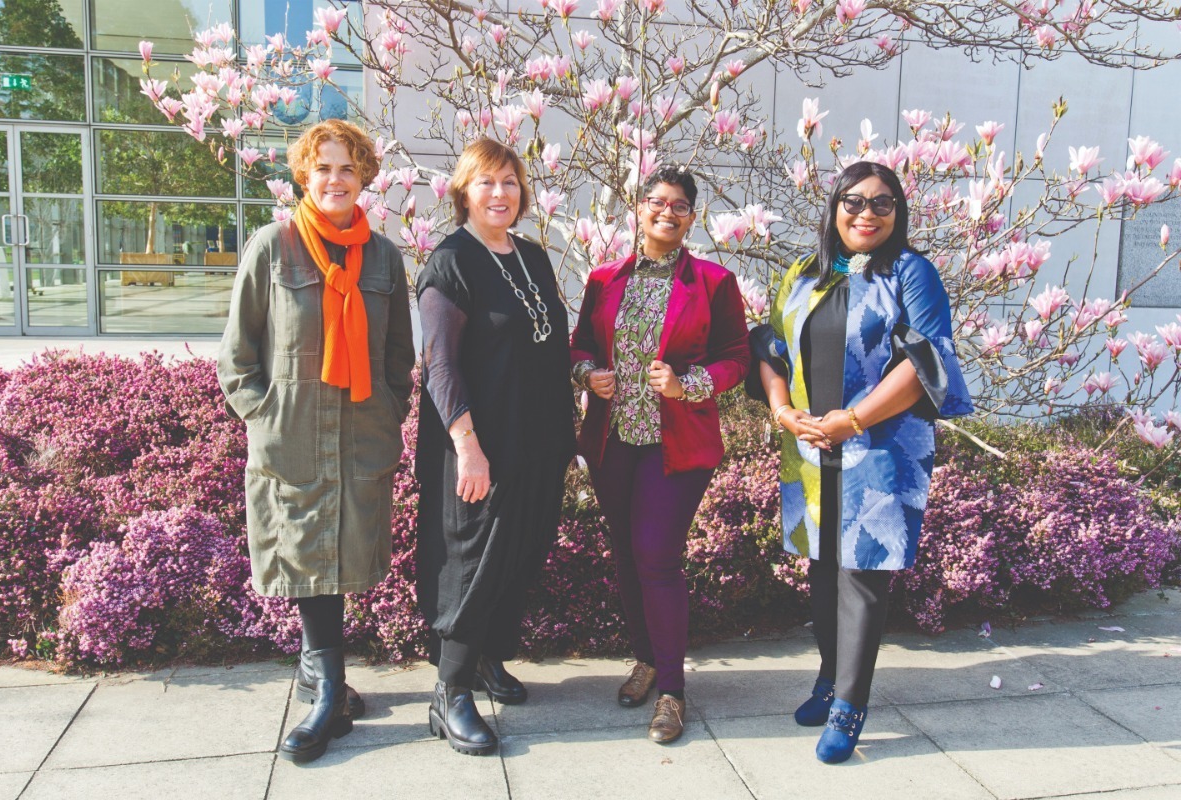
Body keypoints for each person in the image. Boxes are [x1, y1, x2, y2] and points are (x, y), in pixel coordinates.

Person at [749, 161, 972, 763]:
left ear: (898, 212)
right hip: (809, 446)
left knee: (863, 574)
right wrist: (782, 410)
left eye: (882, 203)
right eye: (853, 201)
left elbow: (927, 360)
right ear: (834, 208)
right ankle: (829, 677)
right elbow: (768, 346)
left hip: (879, 448)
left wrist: (851, 420)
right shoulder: (805, 273)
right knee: (823, 568)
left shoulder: (912, 273)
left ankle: (850, 704)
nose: (866, 213)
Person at [218, 119, 415, 764]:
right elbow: (237, 355)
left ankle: (318, 674)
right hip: (295, 435)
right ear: (305, 174)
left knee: (340, 554)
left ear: (364, 178)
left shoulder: (383, 258)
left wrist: (390, 408)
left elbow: (398, 355)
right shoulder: (272, 247)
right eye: (324, 167)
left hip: (360, 434)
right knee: (307, 552)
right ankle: (329, 693)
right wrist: (265, 413)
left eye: (348, 168)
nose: (336, 179)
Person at [570, 165, 749, 744]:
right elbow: (580, 345)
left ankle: (672, 690)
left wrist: (686, 384)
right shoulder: (604, 279)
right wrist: (587, 373)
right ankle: (646, 660)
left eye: (679, 205)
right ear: (639, 209)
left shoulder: (714, 282)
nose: (666, 212)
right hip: (613, 440)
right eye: (657, 201)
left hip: (676, 445)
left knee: (657, 556)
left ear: (692, 217)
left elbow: (737, 357)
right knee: (627, 553)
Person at [415, 137, 575, 756]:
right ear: (463, 192)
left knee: (519, 555)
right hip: (480, 448)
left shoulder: (531, 256)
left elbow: (546, 345)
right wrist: (468, 446)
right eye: (486, 182)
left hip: (537, 443)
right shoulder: (450, 262)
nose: (500, 193)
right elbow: (441, 366)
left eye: (510, 181)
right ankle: (450, 691)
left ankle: (486, 659)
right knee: (473, 565)